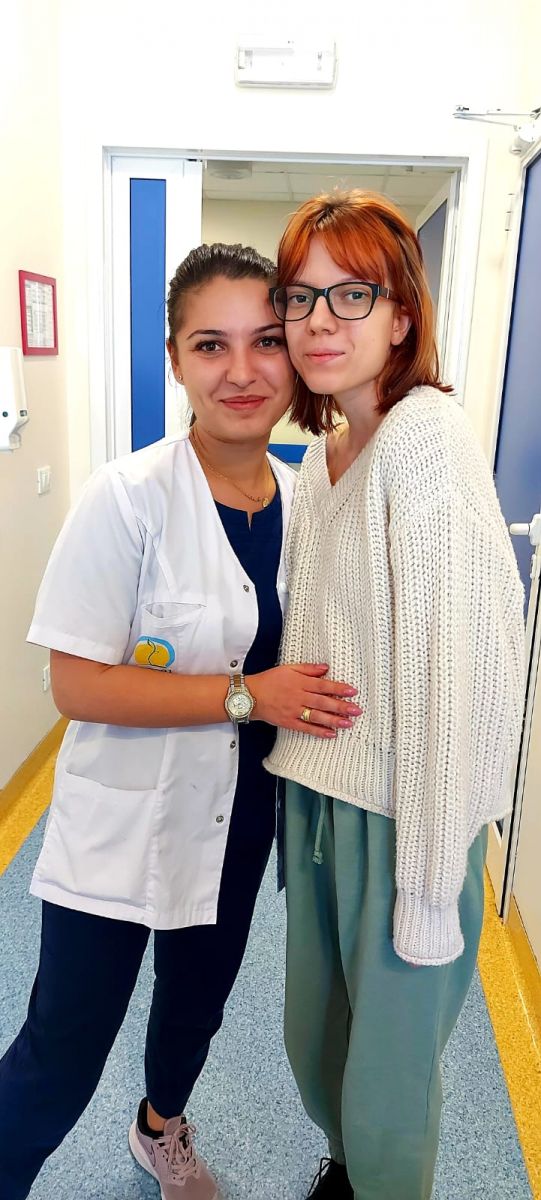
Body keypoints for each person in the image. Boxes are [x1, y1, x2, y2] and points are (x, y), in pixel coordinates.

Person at [0, 242, 362, 1200]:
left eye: (266, 342)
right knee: (61, 1048)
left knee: (195, 1008)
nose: (241, 372)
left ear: (295, 354)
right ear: (175, 359)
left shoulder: (307, 499)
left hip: (240, 821)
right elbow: (76, 684)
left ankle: (160, 1128)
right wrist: (247, 695)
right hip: (120, 822)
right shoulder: (127, 499)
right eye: (211, 345)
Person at [263, 192, 526, 1200]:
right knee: (316, 1042)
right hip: (320, 796)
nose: (318, 321)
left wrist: (424, 882)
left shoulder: (424, 436)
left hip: (404, 812)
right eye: (300, 297)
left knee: (388, 1080)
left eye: (351, 295)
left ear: (401, 314)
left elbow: (457, 670)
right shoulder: (322, 456)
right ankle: (346, 1171)